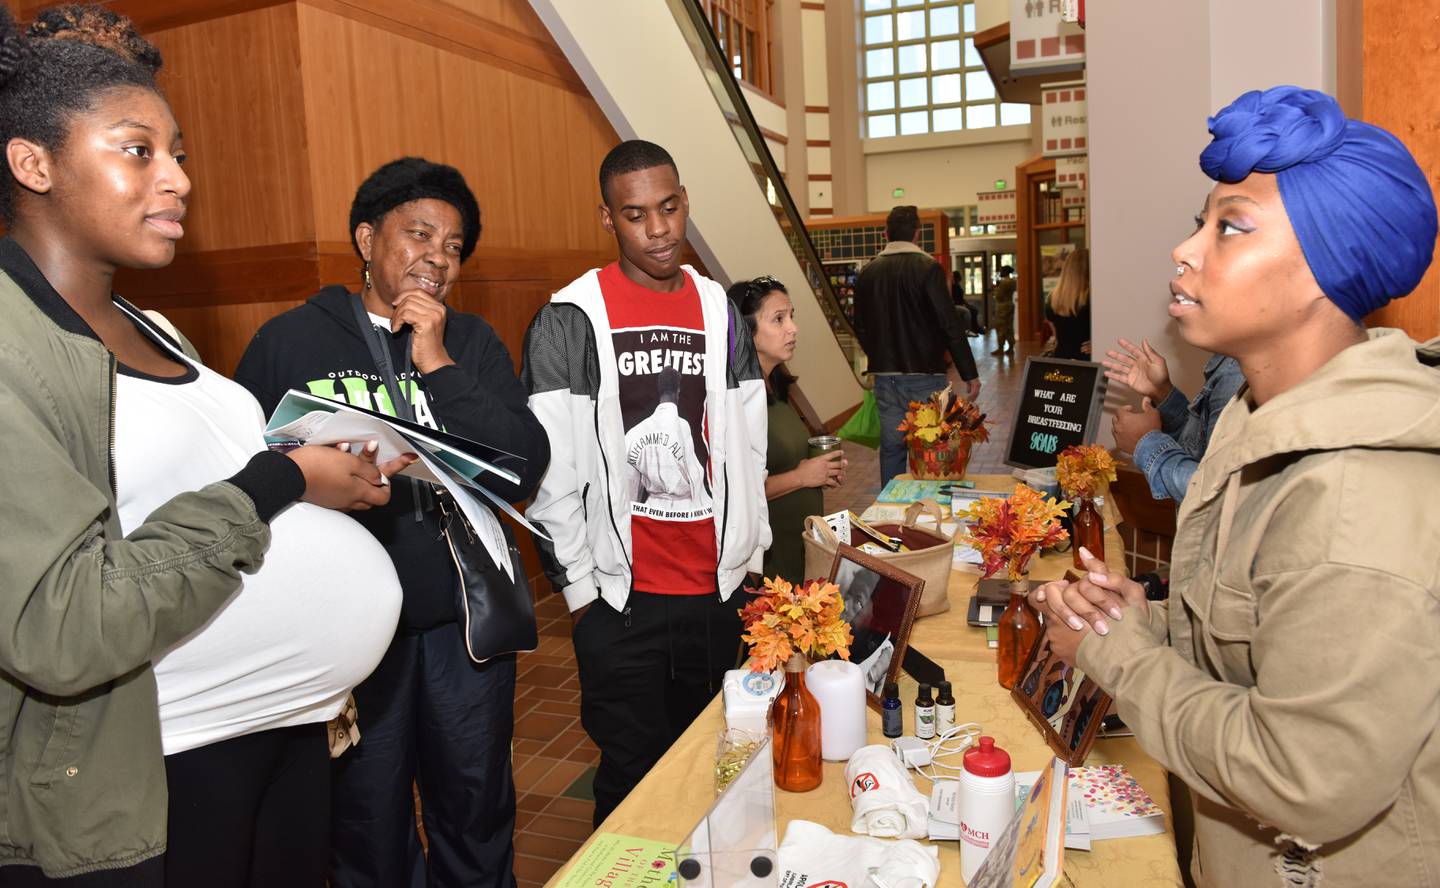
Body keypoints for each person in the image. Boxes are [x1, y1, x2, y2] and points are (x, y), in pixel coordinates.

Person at [0, 6, 401, 885]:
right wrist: (279, 481)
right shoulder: (10, 347)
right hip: (152, 774)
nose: (178, 179)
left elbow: (203, 484)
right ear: (33, 163)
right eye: (138, 150)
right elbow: (59, 626)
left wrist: (319, 475)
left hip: (285, 738)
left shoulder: (155, 326)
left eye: (179, 153)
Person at [1031, 86, 1440, 886]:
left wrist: (1117, 656)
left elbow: (1301, 780)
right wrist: (1143, 620)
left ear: (1327, 263)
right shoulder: (1260, 426)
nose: (1187, 252)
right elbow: (1253, 659)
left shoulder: (1353, 501)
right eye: (1199, 224)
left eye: (1231, 228)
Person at [236, 157, 549, 888]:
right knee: (365, 820)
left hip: (460, 627)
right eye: (418, 235)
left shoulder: (469, 344)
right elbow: (247, 480)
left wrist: (435, 361)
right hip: (347, 627)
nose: (436, 257)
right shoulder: (289, 342)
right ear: (367, 238)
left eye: (453, 246)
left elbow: (523, 465)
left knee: (475, 809)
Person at [522, 139, 769, 827]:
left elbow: (749, 446)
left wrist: (751, 558)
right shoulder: (569, 318)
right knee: (632, 786)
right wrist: (580, 592)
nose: (658, 229)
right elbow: (551, 470)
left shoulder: (719, 308)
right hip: (622, 602)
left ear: (684, 201)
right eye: (636, 215)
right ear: (607, 218)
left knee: (721, 771)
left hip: (718, 594)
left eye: (668, 208)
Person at [728, 276, 846, 583]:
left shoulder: (777, 387)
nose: (792, 328)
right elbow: (734, 492)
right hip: (768, 555)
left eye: (791, 316)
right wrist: (803, 476)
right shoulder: (734, 400)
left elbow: (783, 458)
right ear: (745, 329)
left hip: (798, 543)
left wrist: (821, 469)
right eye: (778, 319)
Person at [853, 205, 980, 486]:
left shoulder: (868, 272)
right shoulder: (928, 268)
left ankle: (891, 511)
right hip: (926, 375)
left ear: (885, 233)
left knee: (892, 448)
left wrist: (877, 354)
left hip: (885, 378)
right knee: (932, 448)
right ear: (917, 233)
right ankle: (929, 512)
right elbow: (949, 322)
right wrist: (969, 372)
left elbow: (859, 324)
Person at [1103, 338, 1244, 503]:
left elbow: (1216, 494)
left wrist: (1146, 443)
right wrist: (1161, 392)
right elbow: (1200, 448)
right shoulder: (1231, 362)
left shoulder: (1239, 374)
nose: (1173, 310)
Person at [1044, 247, 1091, 360]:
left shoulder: (1052, 298)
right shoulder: (1092, 297)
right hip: (1087, 360)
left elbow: (1056, 336)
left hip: (1062, 357)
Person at [990, 264, 1016, 355]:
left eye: (1001, 271)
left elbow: (998, 296)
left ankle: (1000, 348)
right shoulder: (1012, 281)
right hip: (1010, 304)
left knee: (1000, 327)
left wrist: (995, 289)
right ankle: (1011, 347)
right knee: (1009, 327)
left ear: (1005, 272)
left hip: (1002, 306)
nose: (1000, 272)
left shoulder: (1004, 282)